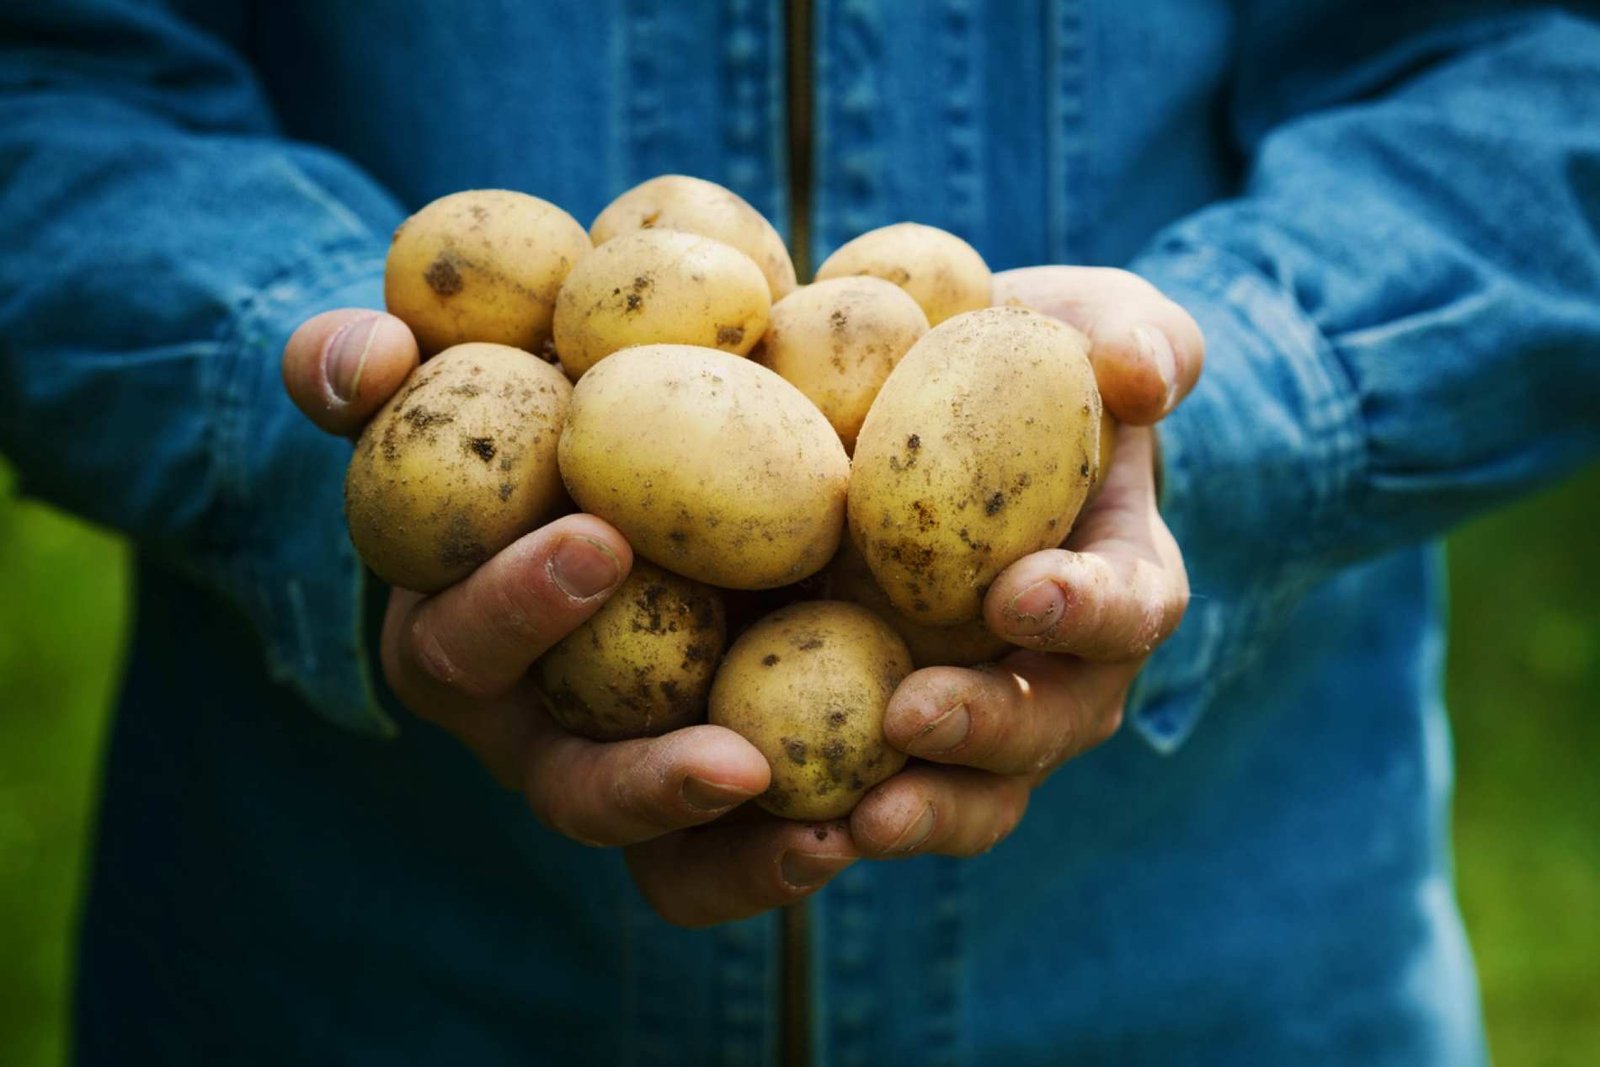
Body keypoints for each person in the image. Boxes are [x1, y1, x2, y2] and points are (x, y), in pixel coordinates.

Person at [2, 1, 1597, 1064]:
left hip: (1221, 966)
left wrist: (1224, 408)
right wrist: (316, 425)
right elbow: (51, 71)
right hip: (353, 962)